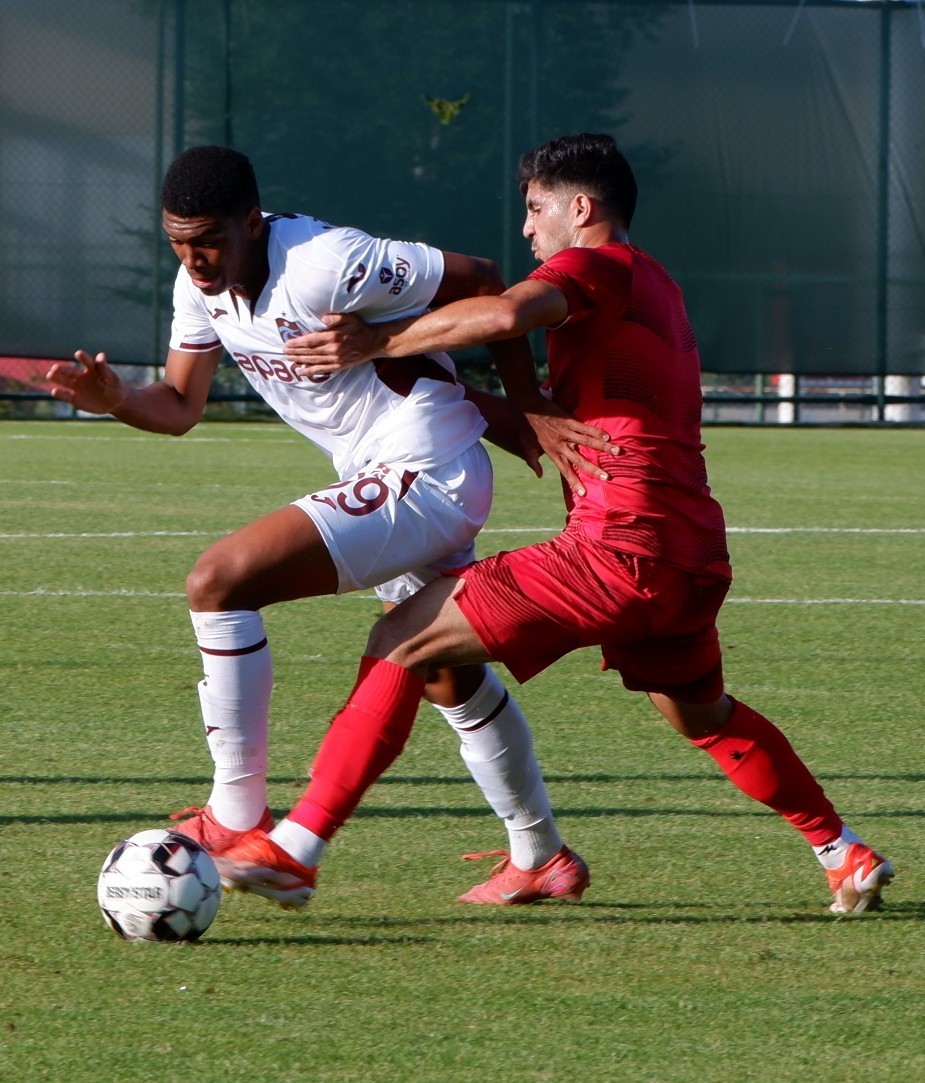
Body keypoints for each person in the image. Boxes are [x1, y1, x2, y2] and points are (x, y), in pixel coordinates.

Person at [215, 133, 894, 916]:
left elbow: (505, 309)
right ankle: (841, 850)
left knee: (402, 637)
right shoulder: (657, 284)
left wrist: (377, 338)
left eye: (537, 210)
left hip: (618, 549)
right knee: (702, 713)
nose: (529, 231)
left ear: (583, 208)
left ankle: (296, 849)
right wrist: (471, 402)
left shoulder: (597, 266)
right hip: (689, 554)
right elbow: (554, 397)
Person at [46, 143, 621, 907]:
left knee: (218, 580)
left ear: (252, 221)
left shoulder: (326, 260)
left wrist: (528, 407)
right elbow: (180, 406)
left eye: (210, 239)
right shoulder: (199, 288)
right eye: (179, 243)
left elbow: (484, 274)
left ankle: (235, 812)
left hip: (427, 465)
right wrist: (118, 398)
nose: (196, 258)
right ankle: (541, 853)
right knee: (443, 670)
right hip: (388, 473)